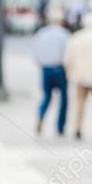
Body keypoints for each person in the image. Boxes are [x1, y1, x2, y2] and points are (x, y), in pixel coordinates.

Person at [33, 8, 71, 136]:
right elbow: (68, 55)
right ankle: (60, 126)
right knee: (64, 99)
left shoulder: (41, 34)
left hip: (46, 69)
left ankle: (41, 114)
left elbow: (36, 55)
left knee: (47, 96)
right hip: (60, 69)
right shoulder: (64, 34)